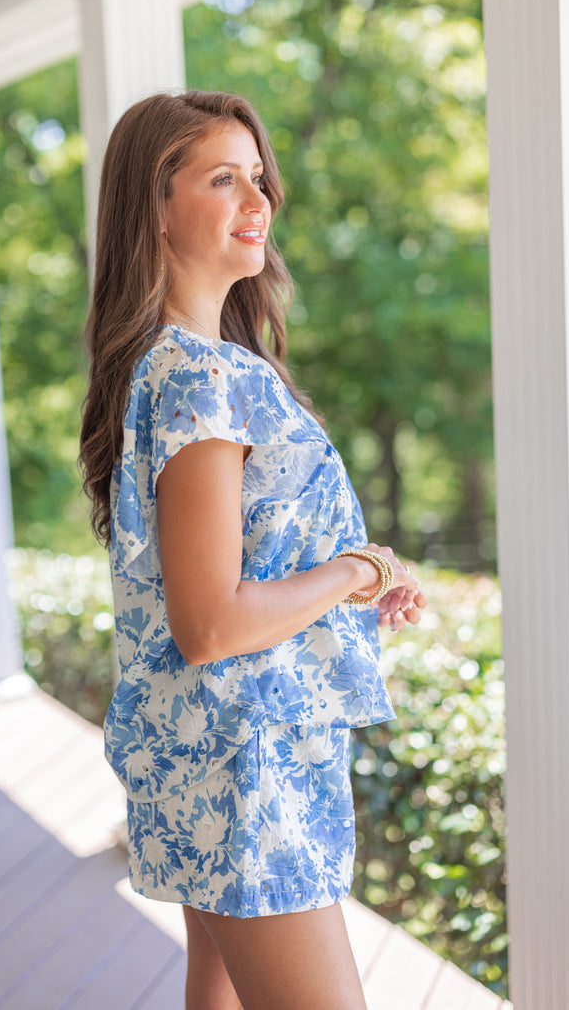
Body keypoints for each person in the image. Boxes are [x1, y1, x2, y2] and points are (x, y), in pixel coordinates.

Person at [78, 89, 426, 1010]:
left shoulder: (179, 364)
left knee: (218, 990)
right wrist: (361, 568)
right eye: (222, 179)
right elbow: (209, 622)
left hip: (221, 750)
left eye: (259, 179)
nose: (258, 201)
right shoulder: (199, 375)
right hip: (246, 767)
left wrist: (344, 574)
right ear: (152, 209)